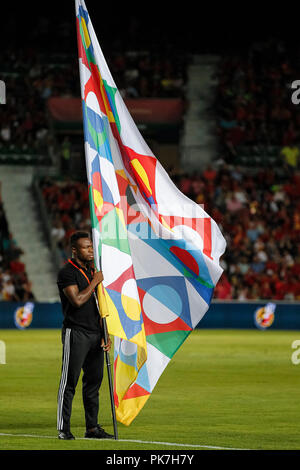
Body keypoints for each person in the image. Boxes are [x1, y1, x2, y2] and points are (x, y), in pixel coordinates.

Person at [56, 231, 113, 440]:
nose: (90, 251)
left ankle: (92, 428)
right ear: (74, 250)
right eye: (85, 247)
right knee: (69, 382)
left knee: (93, 383)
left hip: (95, 334)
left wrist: (105, 333)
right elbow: (78, 300)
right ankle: (64, 428)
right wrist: (96, 281)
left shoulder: (91, 271)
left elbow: (99, 305)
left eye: (91, 247)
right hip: (76, 332)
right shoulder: (67, 273)